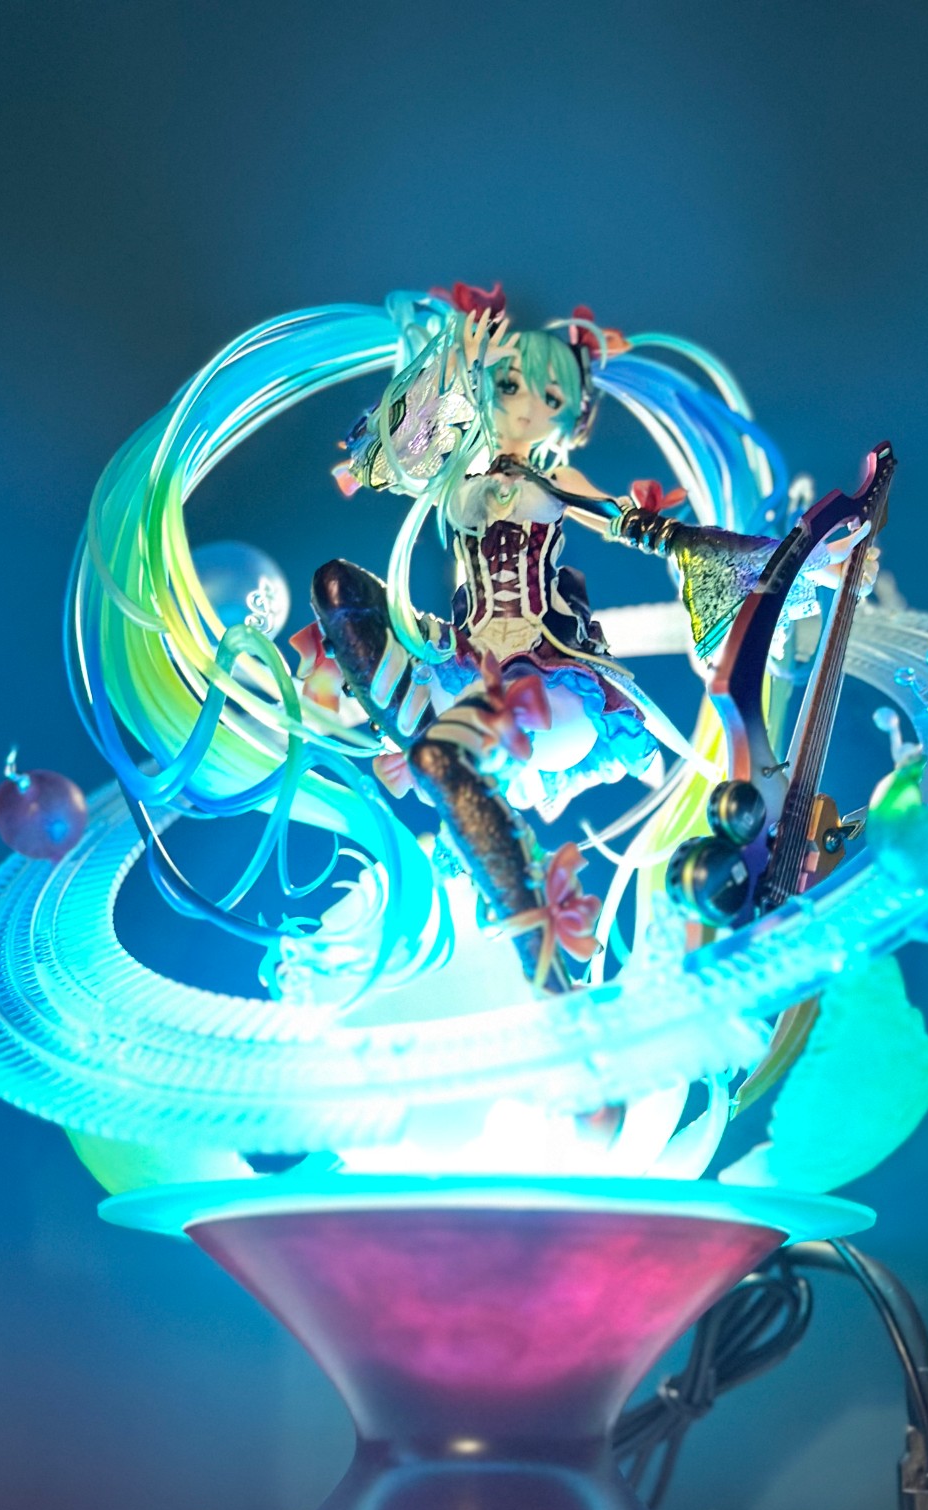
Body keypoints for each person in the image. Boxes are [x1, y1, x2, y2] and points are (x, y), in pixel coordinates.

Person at [297, 284, 873, 993]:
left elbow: (655, 533)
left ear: (568, 415)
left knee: (469, 740)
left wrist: (798, 561)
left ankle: (532, 935)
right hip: (462, 668)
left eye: (549, 395)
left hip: (545, 686)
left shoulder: (555, 479)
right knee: (338, 590)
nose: (524, 406)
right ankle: (459, 797)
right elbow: (383, 462)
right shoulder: (455, 469)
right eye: (509, 383)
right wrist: (452, 367)